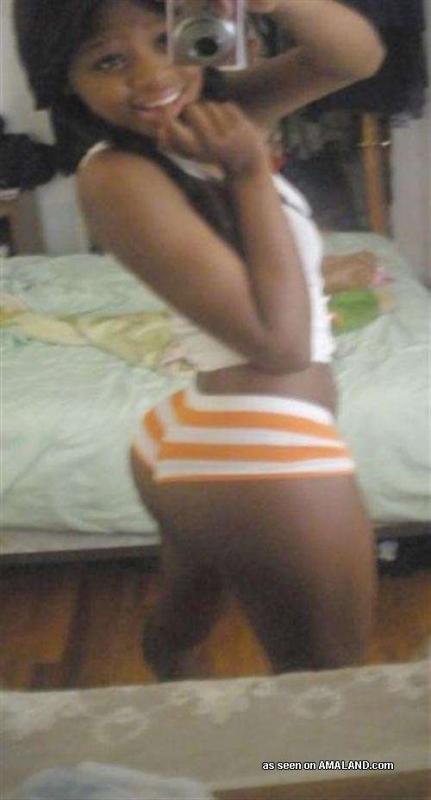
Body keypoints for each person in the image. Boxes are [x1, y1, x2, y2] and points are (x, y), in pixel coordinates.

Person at [14, 0, 385, 679]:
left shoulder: (213, 114)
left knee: (181, 631)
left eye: (167, 39)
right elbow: (280, 347)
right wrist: (249, 173)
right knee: (332, 688)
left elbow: (354, 57)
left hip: (198, 433)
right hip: (259, 449)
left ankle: (178, 719)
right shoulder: (117, 176)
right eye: (109, 60)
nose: (154, 75)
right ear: (63, 79)